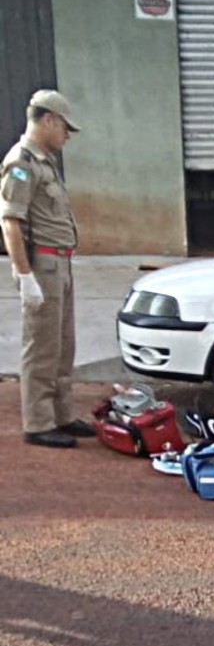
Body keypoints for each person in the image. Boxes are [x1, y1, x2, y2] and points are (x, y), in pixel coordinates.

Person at [1, 90, 93, 449]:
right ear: (49, 120)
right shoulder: (21, 163)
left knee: (63, 345)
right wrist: (25, 277)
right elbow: (10, 222)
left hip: (60, 262)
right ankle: (39, 423)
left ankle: (61, 414)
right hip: (42, 265)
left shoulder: (43, 161)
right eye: (65, 128)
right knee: (41, 347)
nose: (67, 136)